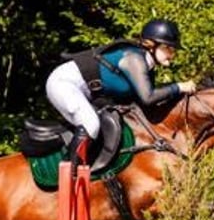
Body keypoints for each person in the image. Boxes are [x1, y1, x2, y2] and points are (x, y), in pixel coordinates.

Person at [45, 18, 197, 165]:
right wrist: (179, 87)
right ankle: (67, 174)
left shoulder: (147, 65)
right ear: (151, 45)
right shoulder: (134, 59)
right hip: (64, 83)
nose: (172, 54)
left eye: (173, 50)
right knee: (91, 124)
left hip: (83, 90)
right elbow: (148, 97)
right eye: (168, 48)